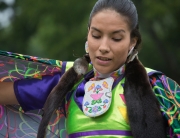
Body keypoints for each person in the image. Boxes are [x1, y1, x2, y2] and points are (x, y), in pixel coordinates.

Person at [0, 0, 180, 137]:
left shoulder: (157, 86)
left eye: (116, 38)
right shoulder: (66, 83)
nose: (103, 46)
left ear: (132, 42)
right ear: (88, 34)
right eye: (96, 35)